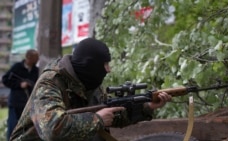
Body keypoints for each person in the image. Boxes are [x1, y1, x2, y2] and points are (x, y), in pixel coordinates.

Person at [10, 38, 172, 141]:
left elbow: (112, 116)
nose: (108, 70)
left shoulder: (90, 84)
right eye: (105, 64)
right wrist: (97, 120)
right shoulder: (50, 83)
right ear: (90, 64)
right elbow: (52, 129)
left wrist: (147, 107)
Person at [2, 49, 39, 141]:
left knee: (28, 128)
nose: (37, 60)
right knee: (13, 127)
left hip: (29, 104)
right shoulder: (17, 67)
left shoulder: (36, 70)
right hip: (16, 103)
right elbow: (5, 79)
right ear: (28, 58)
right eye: (35, 58)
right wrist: (19, 84)